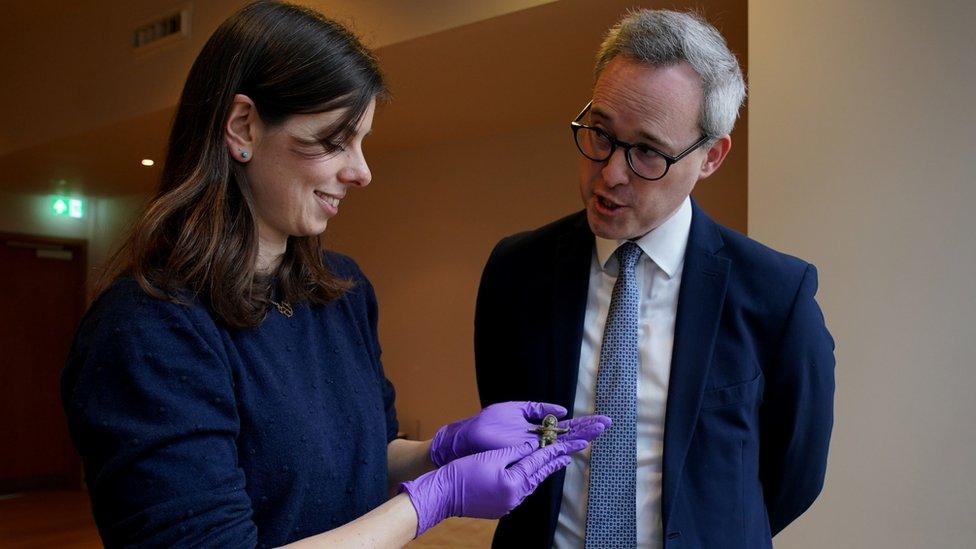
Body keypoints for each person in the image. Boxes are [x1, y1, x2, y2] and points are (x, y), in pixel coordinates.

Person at [60, 2, 609, 547]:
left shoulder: (340, 292)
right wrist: (433, 500)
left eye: (363, 140)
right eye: (334, 140)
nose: (363, 171)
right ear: (242, 127)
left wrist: (441, 449)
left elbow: (361, 461)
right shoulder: (148, 327)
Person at [475, 9, 835, 548]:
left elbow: (794, 474)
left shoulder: (776, 295)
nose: (610, 172)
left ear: (711, 156)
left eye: (646, 151)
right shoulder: (516, 269)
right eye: (600, 133)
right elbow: (512, 430)